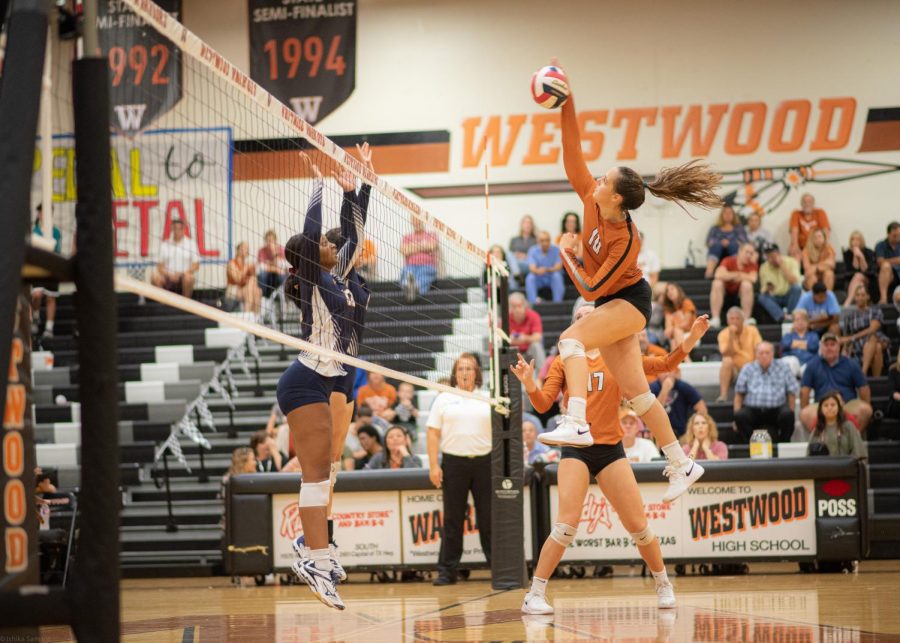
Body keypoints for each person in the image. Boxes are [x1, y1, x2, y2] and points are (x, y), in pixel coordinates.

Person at [540, 63, 721, 503]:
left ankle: (577, 419)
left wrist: (566, 250)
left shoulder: (627, 237)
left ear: (616, 197)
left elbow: (590, 290)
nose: (597, 179)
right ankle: (682, 462)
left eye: (605, 179)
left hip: (629, 301)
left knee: (570, 340)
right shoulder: (590, 199)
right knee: (639, 395)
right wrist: (568, 102)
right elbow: (571, 153)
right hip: (612, 301)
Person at [511, 310, 708, 616]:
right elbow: (541, 403)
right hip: (576, 449)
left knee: (639, 527)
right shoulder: (566, 359)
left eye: (591, 316)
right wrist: (529, 383)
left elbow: (665, 364)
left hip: (609, 450)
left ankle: (663, 584)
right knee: (565, 525)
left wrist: (692, 338)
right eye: (579, 316)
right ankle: (534, 593)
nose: (585, 320)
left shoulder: (617, 356)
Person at [276, 153, 361, 610]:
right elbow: (313, 234)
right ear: (311, 255)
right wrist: (318, 186)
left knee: (322, 473)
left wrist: (354, 189)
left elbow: (356, 234)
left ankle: (313, 554)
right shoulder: (311, 275)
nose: (334, 245)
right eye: (326, 245)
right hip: (305, 380)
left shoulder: (336, 275)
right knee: (315, 474)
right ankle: (317, 559)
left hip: (322, 381)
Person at [426, 353, 492, 586]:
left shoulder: (488, 398)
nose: (465, 372)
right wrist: (434, 465)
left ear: (477, 373)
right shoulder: (444, 399)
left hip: (485, 462)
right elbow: (432, 433)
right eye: (461, 369)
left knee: (489, 518)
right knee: (453, 519)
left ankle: (499, 568)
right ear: (455, 374)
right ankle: (447, 571)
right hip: (454, 463)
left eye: (469, 369)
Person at [799, 333, 873, 431]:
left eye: (832, 344)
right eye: (826, 345)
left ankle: (852, 439)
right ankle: (820, 442)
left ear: (838, 347)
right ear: (821, 348)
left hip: (847, 404)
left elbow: (864, 388)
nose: (829, 348)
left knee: (865, 410)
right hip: (822, 405)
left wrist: (865, 403)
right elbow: (804, 391)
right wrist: (806, 407)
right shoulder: (812, 365)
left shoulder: (851, 364)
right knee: (805, 414)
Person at [733, 342, 798, 442]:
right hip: (753, 410)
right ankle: (750, 444)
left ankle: (783, 444)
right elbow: (739, 394)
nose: (764, 356)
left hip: (776, 410)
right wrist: (735, 416)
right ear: (756, 354)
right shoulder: (747, 368)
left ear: (773, 354)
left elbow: (791, 392)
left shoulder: (783, 367)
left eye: (767, 353)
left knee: (788, 415)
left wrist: (792, 411)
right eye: (761, 353)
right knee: (739, 416)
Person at [840, 284, 890, 376]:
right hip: (858, 345)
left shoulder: (875, 311)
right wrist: (845, 349)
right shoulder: (850, 317)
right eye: (858, 295)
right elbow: (846, 337)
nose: (860, 298)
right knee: (877, 347)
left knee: (873, 339)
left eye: (863, 295)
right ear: (854, 297)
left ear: (868, 296)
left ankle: (864, 372)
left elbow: (872, 329)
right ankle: (876, 380)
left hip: (875, 338)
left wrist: (852, 337)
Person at [31, 204, 63, 339]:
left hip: (51, 268)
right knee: (37, 294)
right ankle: (35, 317)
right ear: (39, 214)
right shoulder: (34, 232)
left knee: (51, 297)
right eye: (42, 212)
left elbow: (57, 252)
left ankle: (49, 328)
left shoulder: (56, 232)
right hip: (38, 268)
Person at [716, 307, 763, 401]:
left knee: (761, 356)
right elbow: (727, 353)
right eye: (732, 319)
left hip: (752, 366)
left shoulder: (752, 330)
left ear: (743, 320)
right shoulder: (723, 334)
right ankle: (723, 395)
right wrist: (731, 337)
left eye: (737, 318)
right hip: (735, 370)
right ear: (727, 321)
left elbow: (759, 348)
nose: (735, 321)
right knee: (726, 361)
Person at [710, 242, 758, 327]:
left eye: (751, 253)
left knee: (747, 284)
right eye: (747, 252)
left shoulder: (752, 265)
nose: (749, 255)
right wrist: (738, 275)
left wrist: (729, 275)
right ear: (740, 251)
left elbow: (753, 278)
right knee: (717, 283)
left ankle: (746, 319)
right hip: (725, 293)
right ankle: (715, 318)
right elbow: (718, 275)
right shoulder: (728, 260)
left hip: (740, 295)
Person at [650, 367, 709, 437]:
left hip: (682, 433)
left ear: (675, 372)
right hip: (659, 434)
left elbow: (702, 408)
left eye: (669, 371)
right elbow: (653, 413)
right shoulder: (652, 388)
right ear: (657, 374)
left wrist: (692, 430)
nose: (667, 374)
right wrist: (665, 390)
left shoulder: (683, 386)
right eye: (663, 371)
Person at [808, 392, 867, 458]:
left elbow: (859, 454)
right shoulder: (817, 430)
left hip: (846, 467)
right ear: (820, 410)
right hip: (823, 467)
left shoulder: (848, 427)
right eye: (826, 405)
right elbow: (809, 457)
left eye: (833, 405)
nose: (829, 408)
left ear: (839, 407)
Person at [151, 218, 199, 298]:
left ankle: (186, 304)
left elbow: (196, 265)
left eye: (179, 229)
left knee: (188, 278)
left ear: (183, 229)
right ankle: (163, 303)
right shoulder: (165, 245)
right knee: (154, 277)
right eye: (175, 228)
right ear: (172, 229)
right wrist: (169, 275)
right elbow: (160, 267)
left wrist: (182, 273)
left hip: (183, 276)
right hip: (168, 277)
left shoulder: (191, 244)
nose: (177, 231)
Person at [757, 244, 802, 323]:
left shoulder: (791, 262)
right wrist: (767, 288)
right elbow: (763, 288)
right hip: (775, 297)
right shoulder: (764, 267)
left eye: (772, 256)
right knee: (762, 297)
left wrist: (782, 266)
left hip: (789, 296)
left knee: (797, 288)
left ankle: (790, 315)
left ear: (779, 254)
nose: (770, 259)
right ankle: (782, 317)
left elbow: (795, 281)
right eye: (768, 257)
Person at [399, 215, 439, 301]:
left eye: (418, 220)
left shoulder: (431, 234)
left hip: (427, 266)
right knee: (407, 272)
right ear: (412, 222)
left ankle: (414, 288)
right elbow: (403, 250)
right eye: (414, 220)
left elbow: (432, 246)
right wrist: (424, 246)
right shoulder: (407, 237)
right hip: (411, 266)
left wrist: (412, 247)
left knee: (423, 275)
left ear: (422, 221)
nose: (417, 222)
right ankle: (412, 286)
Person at [704, 204, 747, 278]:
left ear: (733, 215)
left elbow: (744, 242)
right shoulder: (715, 228)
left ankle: (735, 270)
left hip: (734, 252)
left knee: (733, 245)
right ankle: (709, 271)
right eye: (725, 213)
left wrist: (729, 242)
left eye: (730, 213)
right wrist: (720, 242)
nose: (728, 215)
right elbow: (708, 242)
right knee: (716, 245)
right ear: (721, 215)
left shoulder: (738, 228)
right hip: (717, 252)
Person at [525, 231, 565, 304]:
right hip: (538, 277)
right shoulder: (533, 250)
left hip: (551, 276)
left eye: (547, 240)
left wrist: (546, 269)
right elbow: (532, 268)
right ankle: (533, 303)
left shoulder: (556, 250)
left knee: (557, 276)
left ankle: (558, 303)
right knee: (530, 277)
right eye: (542, 240)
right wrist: (538, 271)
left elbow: (558, 267)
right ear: (537, 241)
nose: (545, 243)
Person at [789, 193, 830, 263]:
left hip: (816, 247)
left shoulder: (820, 213)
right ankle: (795, 273)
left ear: (813, 204)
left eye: (809, 202)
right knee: (794, 252)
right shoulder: (796, 214)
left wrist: (823, 248)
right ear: (801, 204)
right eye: (804, 202)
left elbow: (825, 233)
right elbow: (794, 232)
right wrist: (796, 247)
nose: (807, 204)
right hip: (801, 247)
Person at [509, 292, 546, 370]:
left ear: (524, 305)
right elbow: (500, 337)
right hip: (512, 351)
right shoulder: (505, 319)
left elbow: (538, 337)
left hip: (529, 350)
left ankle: (542, 378)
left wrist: (525, 339)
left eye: (519, 306)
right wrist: (510, 339)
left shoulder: (534, 316)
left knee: (537, 346)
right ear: (510, 308)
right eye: (514, 307)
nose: (517, 309)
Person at [779, 309, 820, 376]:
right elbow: (785, 345)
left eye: (803, 319)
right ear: (793, 322)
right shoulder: (788, 336)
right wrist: (804, 344)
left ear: (807, 322)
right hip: (792, 363)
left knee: (812, 367)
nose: (800, 322)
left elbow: (813, 346)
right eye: (797, 320)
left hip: (808, 362)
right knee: (791, 362)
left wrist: (794, 344)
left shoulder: (813, 335)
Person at [842, 230, 877, 307]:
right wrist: (855, 256)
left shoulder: (868, 252)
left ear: (862, 241)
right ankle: (862, 306)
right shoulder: (847, 253)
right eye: (853, 239)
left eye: (857, 239)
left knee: (858, 276)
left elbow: (867, 270)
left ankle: (847, 303)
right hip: (853, 281)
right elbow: (851, 270)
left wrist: (861, 257)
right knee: (859, 282)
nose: (855, 242)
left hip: (868, 280)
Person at [225, 242, 261, 314]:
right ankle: (248, 316)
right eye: (244, 248)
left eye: (247, 248)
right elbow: (237, 279)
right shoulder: (232, 263)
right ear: (238, 250)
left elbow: (254, 281)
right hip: (233, 290)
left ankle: (255, 317)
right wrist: (246, 268)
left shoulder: (248, 265)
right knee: (250, 289)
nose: (247, 250)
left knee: (258, 291)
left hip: (245, 290)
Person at [662, 283, 696, 352]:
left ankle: (685, 360)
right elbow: (668, 328)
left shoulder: (687, 302)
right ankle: (686, 360)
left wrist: (674, 327)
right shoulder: (668, 309)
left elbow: (686, 324)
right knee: (674, 338)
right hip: (677, 335)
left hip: (691, 334)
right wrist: (670, 329)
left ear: (678, 290)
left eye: (672, 289)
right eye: (667, 291)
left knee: (676, 332)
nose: (670, 292)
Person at [875, 221, 900, 304]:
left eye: (899, 235)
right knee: (886, 266)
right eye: (895, 235)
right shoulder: (881, 245)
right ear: (888, 234)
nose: (897, 237)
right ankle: (883, 298)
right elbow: (880, 262)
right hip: (889, 274)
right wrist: (897, 260)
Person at [257, 230, 287, 298]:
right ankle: (265, 297)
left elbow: (283, 266)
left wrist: (274, 253)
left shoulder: (281, 249)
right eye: (268, 240)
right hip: (268, 276)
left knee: (282, 275)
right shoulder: (261, 251)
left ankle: (282, 297)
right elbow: (261, 267)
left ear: (275, 241)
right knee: (262, 274)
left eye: (271, 240)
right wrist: (276, 269)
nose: (269, 242)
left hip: (278, 276)